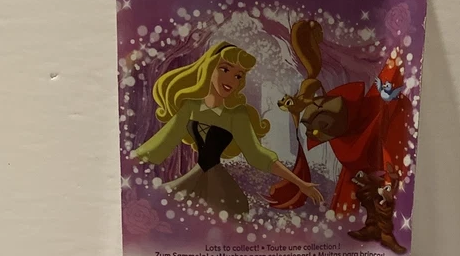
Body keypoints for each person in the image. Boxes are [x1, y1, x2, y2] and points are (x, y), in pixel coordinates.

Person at [135, 43, 322, 214]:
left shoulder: (237, 115)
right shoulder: (190, 107)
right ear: (209, 68)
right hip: (194, 179)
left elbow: (258, 156)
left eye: (238, 75)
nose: (231, 79)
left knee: (230, 212)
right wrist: (131, 161)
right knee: (169, 203)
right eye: (224, 69)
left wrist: (300, 183)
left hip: (219, 184)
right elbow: (164, 142)